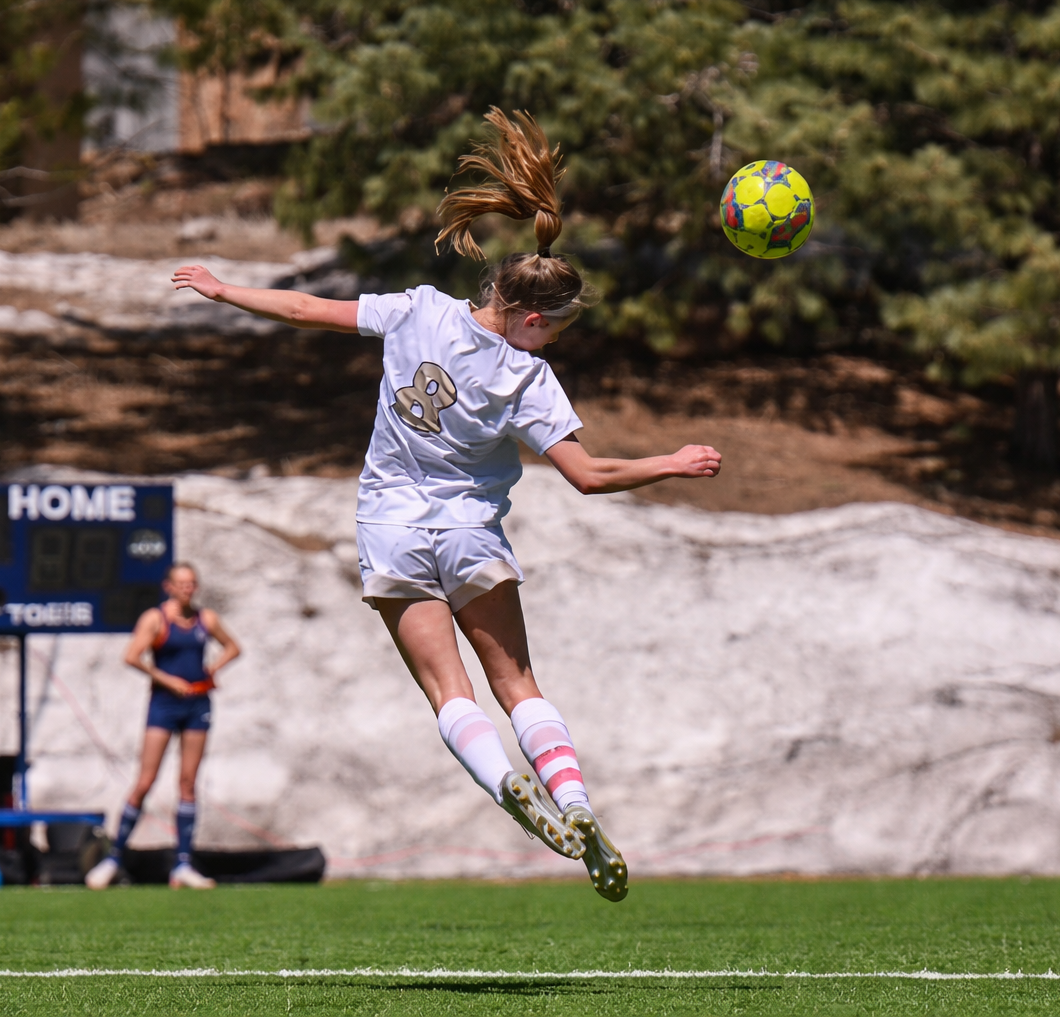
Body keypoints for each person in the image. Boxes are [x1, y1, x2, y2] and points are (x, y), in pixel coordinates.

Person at [170, 108, 720, 901]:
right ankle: (574, 801)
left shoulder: (417, 308)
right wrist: (670, 461)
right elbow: (589, 477)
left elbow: (308, 310)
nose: (555, 342)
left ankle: (505, 787)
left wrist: (224, 290)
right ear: (531, 319)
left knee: (447, 694)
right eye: (556, 330)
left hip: (391, 531)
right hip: (469, 534)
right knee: (519, 685)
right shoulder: (530, 379)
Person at [86, 562, 242, 890]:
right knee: (146, 780)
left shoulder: (205, 619)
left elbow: (233, 647)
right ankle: (114, 858)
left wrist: (211, 670)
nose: (188, 589)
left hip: (197, 703)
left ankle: (183, 864)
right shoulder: (155, 619)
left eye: (192, 583)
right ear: (168, 586)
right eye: (181, 583)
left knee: (187, 782)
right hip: (164, 704)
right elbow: (132, 656)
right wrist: (166, 679)